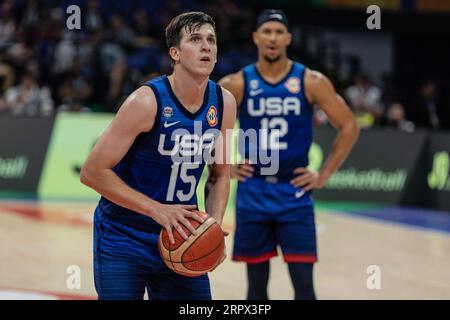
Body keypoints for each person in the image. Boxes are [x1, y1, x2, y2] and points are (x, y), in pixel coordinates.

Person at [80, 12, 236, 300]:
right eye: (196, 39)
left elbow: (219, 175)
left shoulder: (224, 103)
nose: (207, 47)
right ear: (174, 53)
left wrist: (211, 226)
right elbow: (92, 172)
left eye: (211, 40)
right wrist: (158, 210)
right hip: (124, 236)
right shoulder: (146, 101)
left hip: (183, 235)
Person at [219, 9, 359, 300]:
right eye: (267, 31)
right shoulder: (236, 83)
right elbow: (208, 127)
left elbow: (349, 126)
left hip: (294, 191)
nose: (272, 38)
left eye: (278, 32)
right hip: (253, 190)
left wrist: (324, 175)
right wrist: (226, 166)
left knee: (304, 286)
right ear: (256, 37)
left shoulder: (311, 81)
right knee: (256, 288)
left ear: (288, 39)